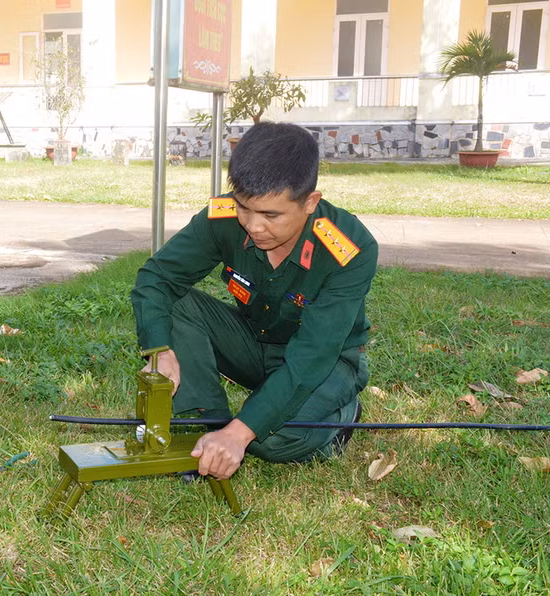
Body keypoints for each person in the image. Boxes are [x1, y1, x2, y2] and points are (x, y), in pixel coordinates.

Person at [130, 121, 377, 480]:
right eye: (244, 208)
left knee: (269, 442)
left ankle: (342, 415)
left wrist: (242, 431)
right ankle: (210, 422)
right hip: (254, 345)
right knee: (177, 304)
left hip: (327, 362)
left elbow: (313, 356)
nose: (253, 226)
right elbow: (156, 278)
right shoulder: (225, 218)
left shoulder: (349, 248)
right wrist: (160, 351)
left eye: (271, 215)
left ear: (310, 202)